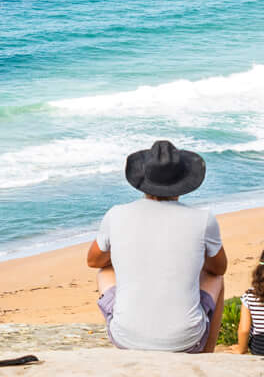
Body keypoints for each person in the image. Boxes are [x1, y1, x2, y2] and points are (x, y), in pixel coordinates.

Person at [87, 139, 226, 352]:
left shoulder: (116, 214)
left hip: (125, 339)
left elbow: (93, 261)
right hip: (186, 342)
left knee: (105, 269)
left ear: (143, 178)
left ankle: (130, 328)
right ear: (183, 182)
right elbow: (219, 268)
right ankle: (206, 354)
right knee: (217, 279)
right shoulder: (203, 219)